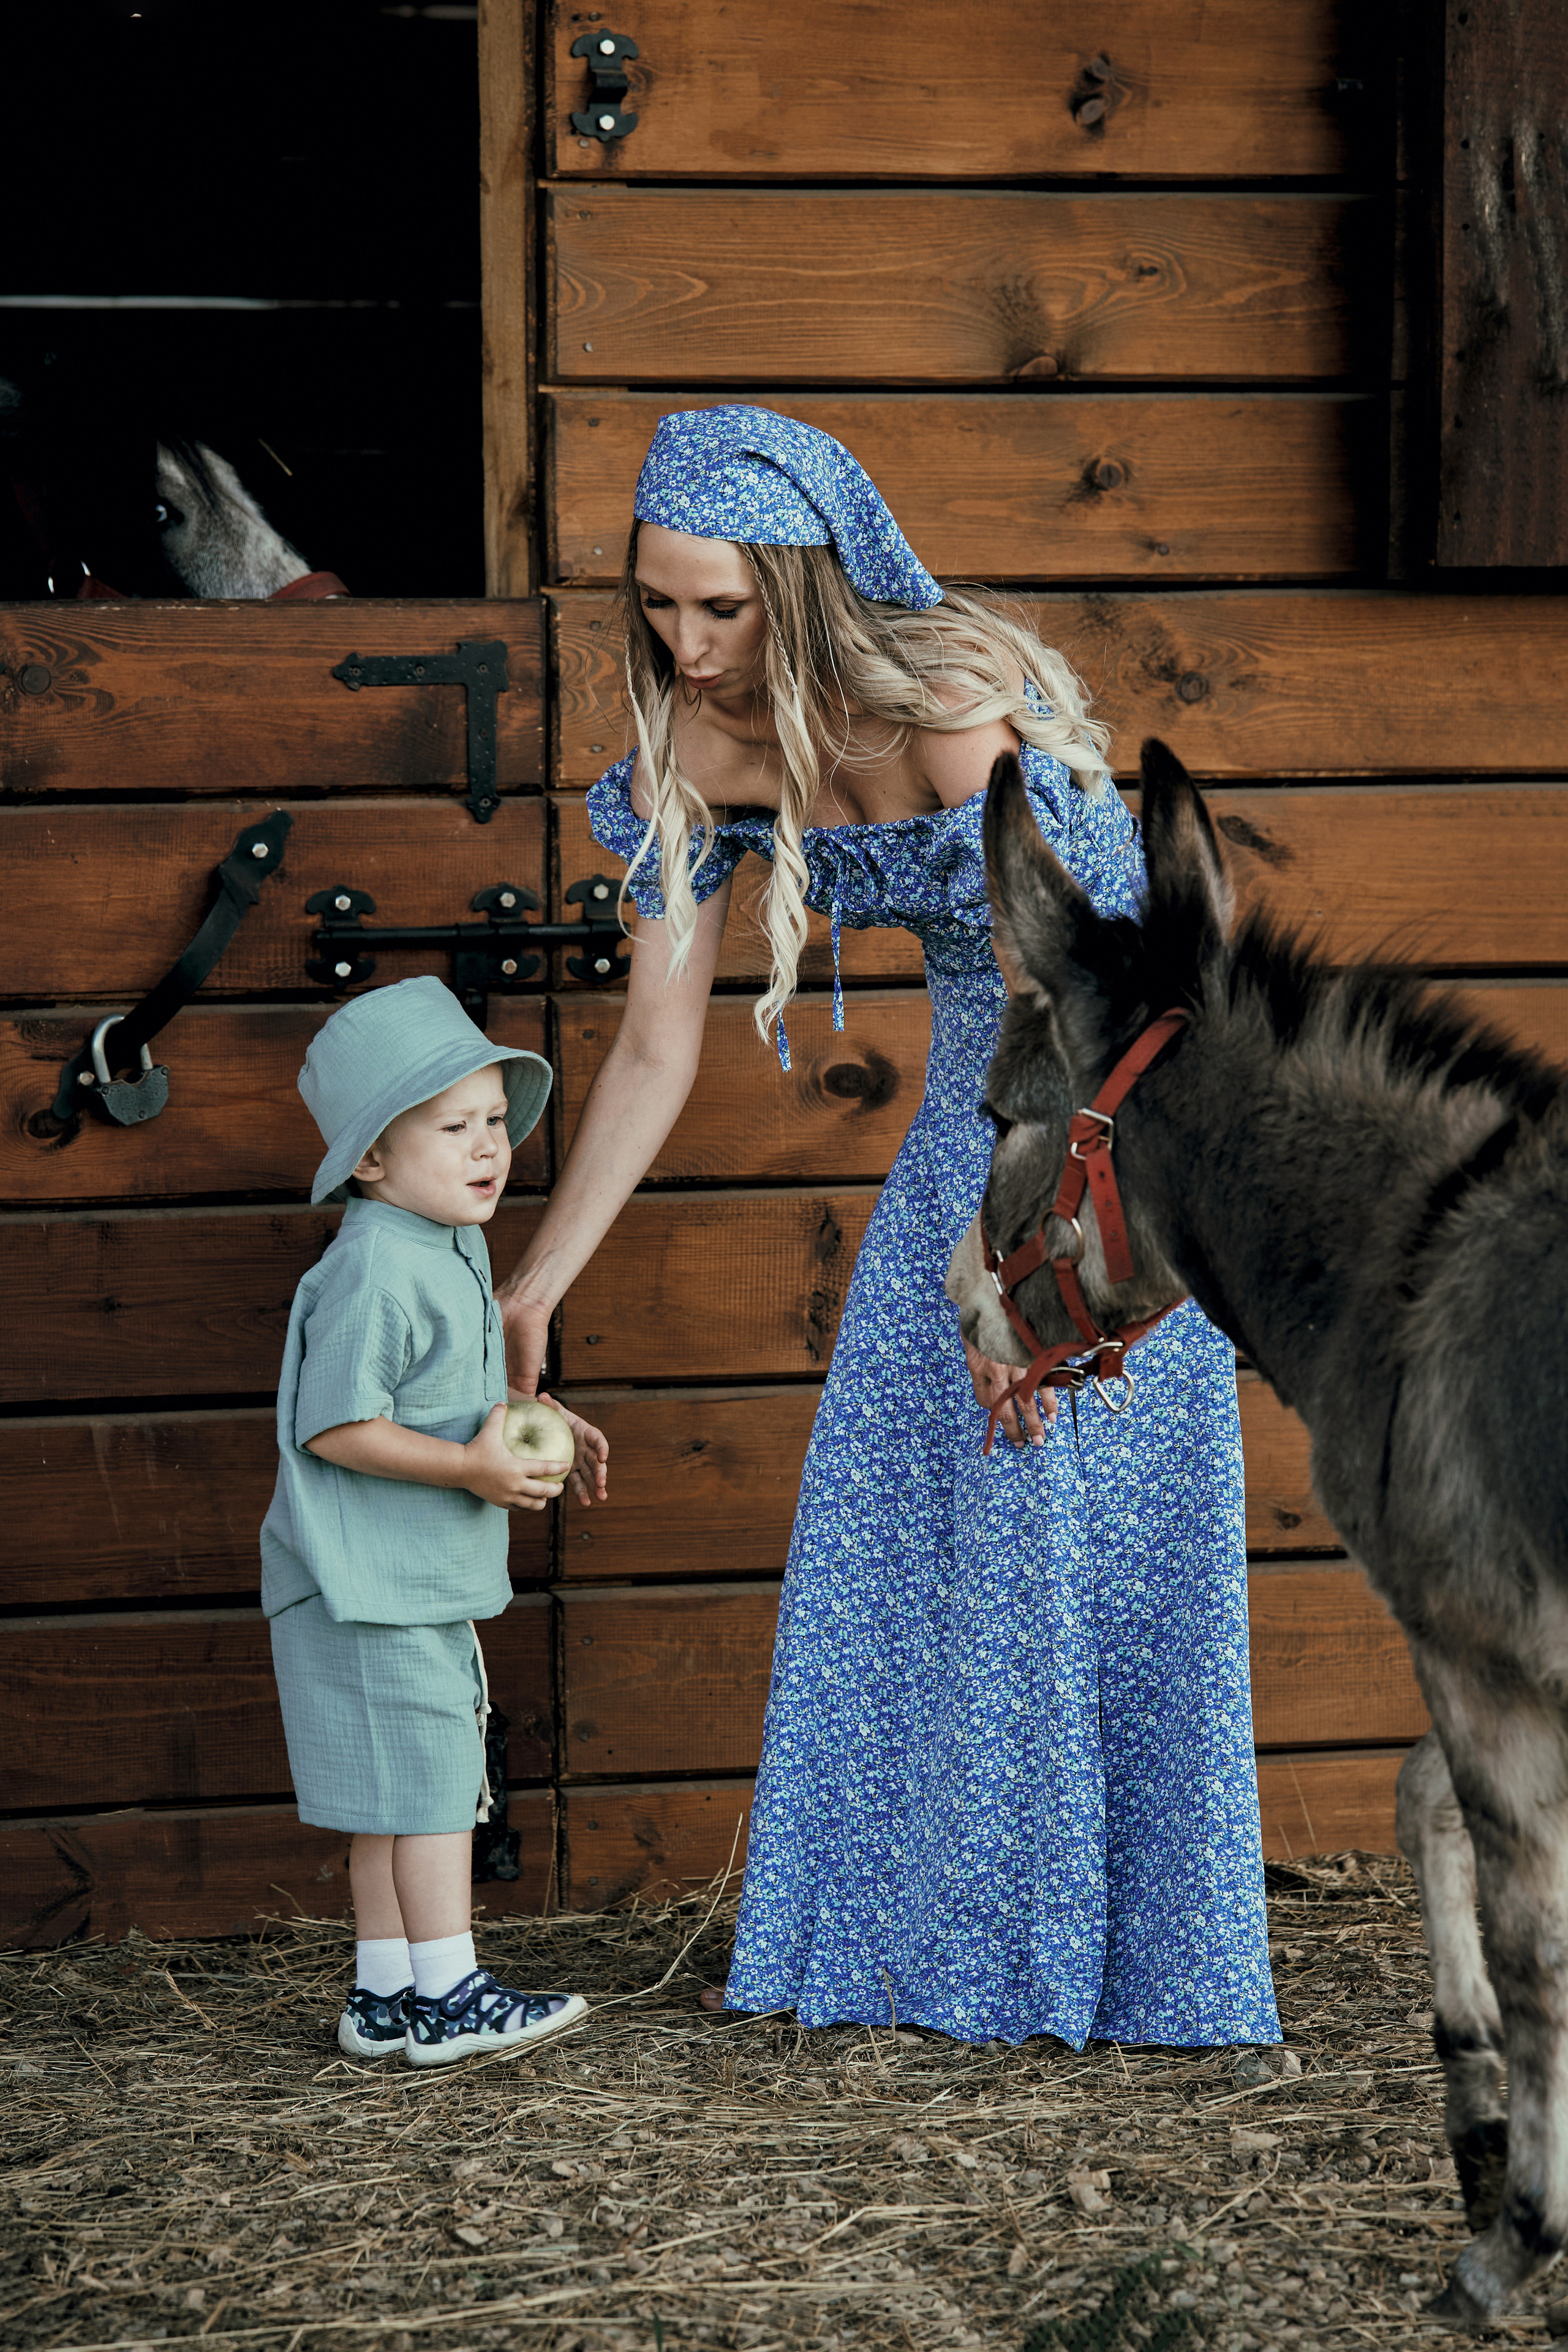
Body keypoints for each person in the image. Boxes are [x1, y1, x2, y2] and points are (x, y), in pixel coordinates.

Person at [498, 407, 1280, 2051]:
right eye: (657, 605)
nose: (687, 644)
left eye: (722, 608)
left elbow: (1063, 996)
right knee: (899, 1552)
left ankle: (1118, 1967)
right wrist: (540, 1276)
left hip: (1090, 1162)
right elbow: (654, 1040)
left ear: (799, 584)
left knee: (1065, 1543)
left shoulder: (945, 711)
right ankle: (914, 1955)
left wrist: (1015, 1287)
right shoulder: (689, 759)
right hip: (964, 1153)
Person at [262, 976, 608, 2065]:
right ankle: (451, 1994)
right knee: (430, 1794)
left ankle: (384, 1996)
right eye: (454, 1128)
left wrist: (528, 1416)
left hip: (396, 1581)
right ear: (372, 1160)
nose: (488, 1149)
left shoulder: (443, 1242)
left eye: (496, 1122)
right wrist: (469, 1464)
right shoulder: (373, 1265)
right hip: (361, 1585)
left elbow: (440, 1396)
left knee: (389, 1795)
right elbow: (338, 1429)